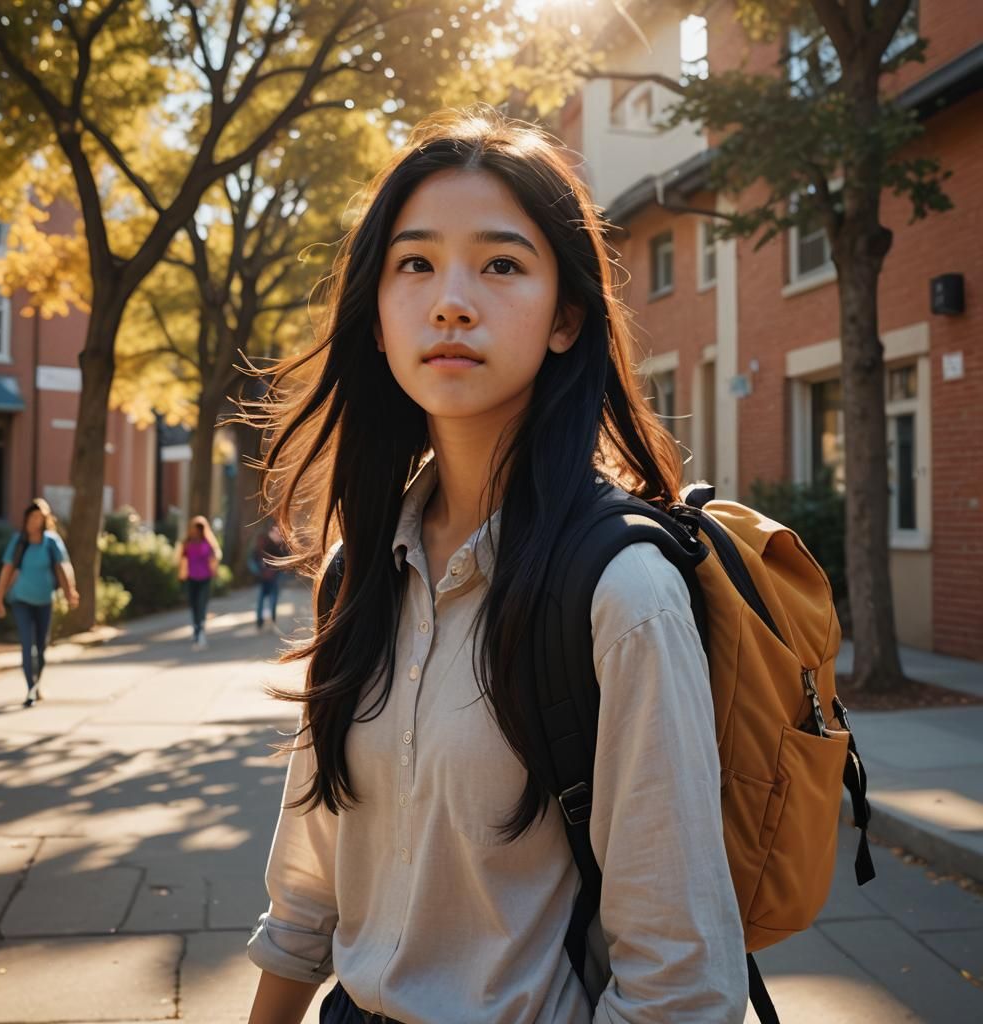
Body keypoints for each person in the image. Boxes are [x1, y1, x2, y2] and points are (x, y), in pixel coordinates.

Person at [246, 107, 748, 1024]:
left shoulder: (623, 593)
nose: (451, 300)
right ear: (379, 313)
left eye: (502, 264)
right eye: (416, 263)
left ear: (565, 319)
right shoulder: (360, 570)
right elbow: (310, 885)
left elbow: (680, 982)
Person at [0, 498, 79, 708]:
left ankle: (37, 683)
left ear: (45, 520)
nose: (35, 522)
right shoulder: (19, 541)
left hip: (44, 601)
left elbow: (63, 568)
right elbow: (7, 570)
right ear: (26, 519)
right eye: (32, 517)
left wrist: (71, 592)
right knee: (26, 645)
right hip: (21, 600)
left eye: (40, 518)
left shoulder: (51, 542)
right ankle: (30, 689)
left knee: (40, 648)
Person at [177, 515, 221, 650]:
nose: (195, 531)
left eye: (198, 529)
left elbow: (213, 559)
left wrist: (215, 572)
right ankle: (197, 629)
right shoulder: (187, 543)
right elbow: (182, 559)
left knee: (201, 605)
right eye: (194, 528)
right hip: (191, 578)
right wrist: (181, 574)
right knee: (193, 606)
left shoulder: (208, 543)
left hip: (205, 579)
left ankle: (200, 631)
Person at [251, 523, 289, 631]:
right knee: (261, 599)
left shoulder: (276, 547)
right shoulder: (257, 549)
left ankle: (272, 618)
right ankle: (260, 620)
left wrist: (273, 571)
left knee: (273, 598)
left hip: (274, 577)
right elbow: (253, 562)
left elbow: (282, 560)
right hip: (263, 578)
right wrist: (259, 572)